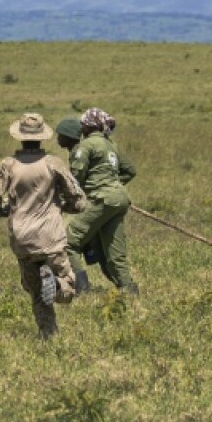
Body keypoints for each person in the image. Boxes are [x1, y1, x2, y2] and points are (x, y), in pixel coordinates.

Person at [0, 112, 86, 339]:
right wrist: (60, 205)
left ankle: (48, 334)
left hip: (22, 239)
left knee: (36, 292)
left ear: (19, 137)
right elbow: (79, 201)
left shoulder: (6, 166)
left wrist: (6, 210)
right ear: (42, 137)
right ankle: (58, 286)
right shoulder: (53, 164)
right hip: (50, 237)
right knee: (68, 288)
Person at [57, 109, 138, 295]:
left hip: (100, 199)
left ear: (87, 126)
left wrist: (65, 198)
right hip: (120, 199)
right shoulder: (111, 145)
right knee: (114, 251)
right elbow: (129, 170)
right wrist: (113, 185)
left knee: (68, 241)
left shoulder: (85, 146)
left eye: (82, 124)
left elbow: (75, 178)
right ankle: (129, 290)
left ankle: (82, 286)